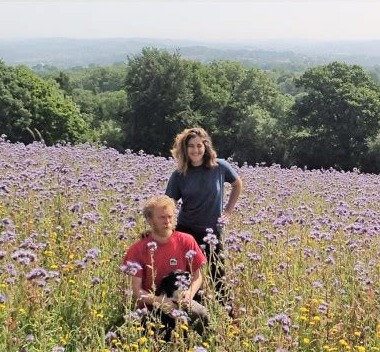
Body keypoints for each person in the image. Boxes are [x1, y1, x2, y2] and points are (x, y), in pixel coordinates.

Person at [165, 127, 243, 302]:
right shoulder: (179, 174)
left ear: (205, 146)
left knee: (218, 275)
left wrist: (228, 212)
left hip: (213, 231)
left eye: (199, 145)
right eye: (191, 146)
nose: (195, 150)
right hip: (186, 232)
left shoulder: (220, 167)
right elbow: (169, 203)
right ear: (185, 149)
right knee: (187, 275)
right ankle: (192, 313)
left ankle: (228, 319)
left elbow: (237, 184)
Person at [122, 195, 209, 340]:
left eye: (170, 216)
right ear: (150, 220)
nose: (167, 221)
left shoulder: (187, 241)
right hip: (150, 306)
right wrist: (161, 302)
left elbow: (197, 276)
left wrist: (190, 294)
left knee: (202, 315)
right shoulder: (137, 250)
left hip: (181, 302)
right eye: (162, 217)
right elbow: (137, 291)